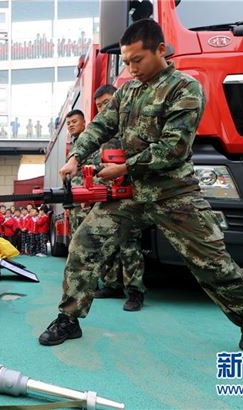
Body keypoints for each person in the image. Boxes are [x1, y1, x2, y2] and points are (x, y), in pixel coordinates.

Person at [38, 19, 243, 365]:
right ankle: (69, 318)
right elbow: (103, 125)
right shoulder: (127, 90)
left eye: (137, 60)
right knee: (85, 245)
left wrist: (124, 167)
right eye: (126, 61)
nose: (131, 68)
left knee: (212, 262)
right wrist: (77, 155)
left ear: (161, 51)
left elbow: (174, 148)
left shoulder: (185, 88)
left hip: (174, 193)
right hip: (129, 194)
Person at [92, 84, 146, 308]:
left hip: (131, 193)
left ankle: (135, 292)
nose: (103, 108)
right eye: (99, 106)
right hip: (108, 194)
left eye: (106, 103)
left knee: (129, 244)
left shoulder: (133, 124)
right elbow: (97, 163)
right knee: (108, 244)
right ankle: (113, 285)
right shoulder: (103, 132)